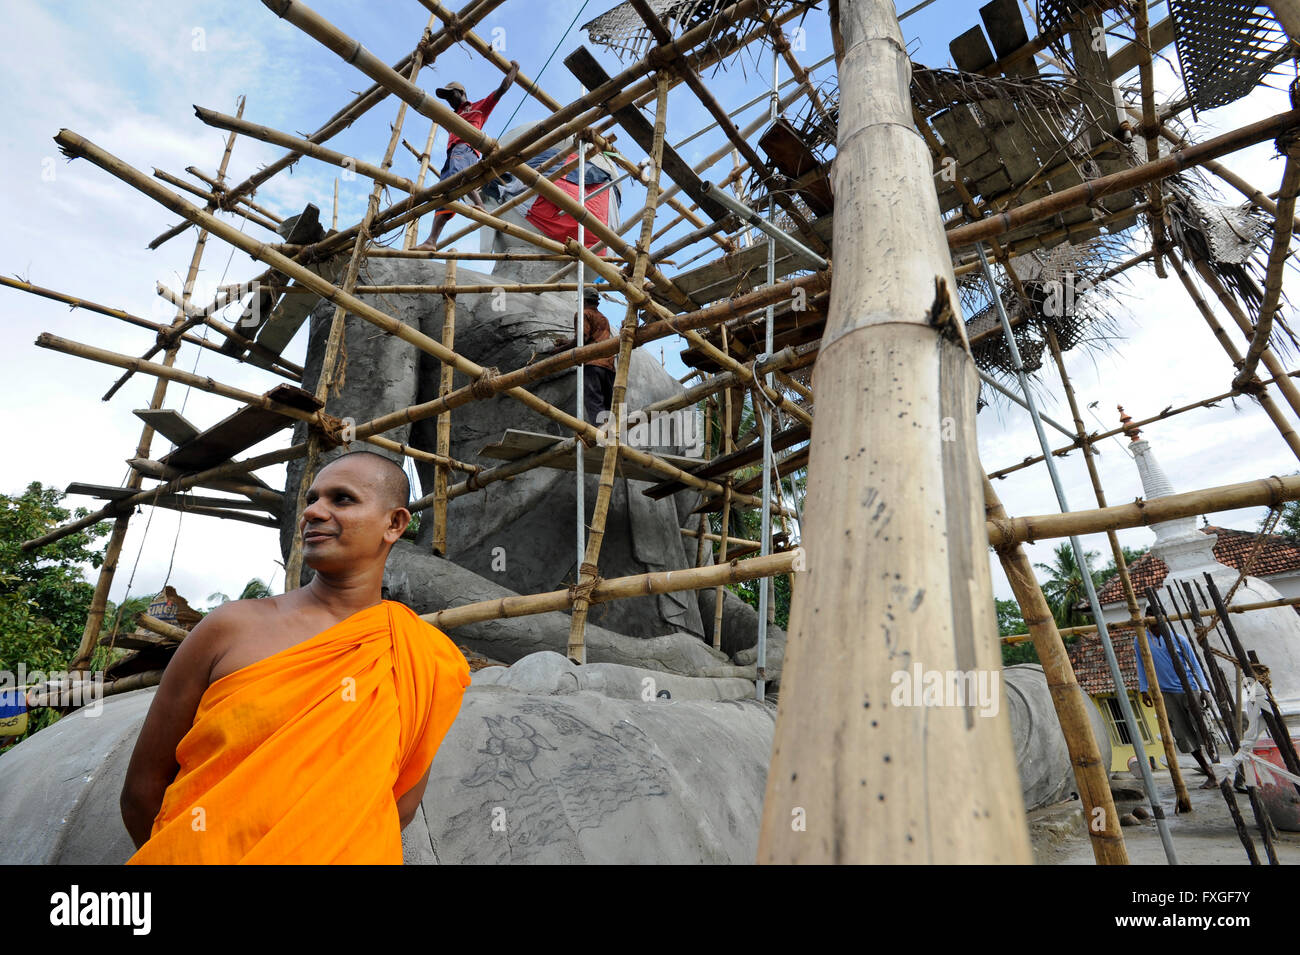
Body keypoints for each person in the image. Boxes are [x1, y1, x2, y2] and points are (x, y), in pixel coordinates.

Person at [119, 450, 471, 863]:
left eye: (342, 499)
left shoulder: (420, 655)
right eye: (311, 500)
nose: (315, 512)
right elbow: (142, 790)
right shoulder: (230, 627)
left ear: (394, 524)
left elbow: (400, 806)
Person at [416, 62, 520, 251]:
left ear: (462, 93)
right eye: (446, 96)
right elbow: (429, 111)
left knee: (458, 175)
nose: (448, 99)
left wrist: (514, 70)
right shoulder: (452, 116)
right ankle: (431, 240)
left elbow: (502, 89)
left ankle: (479, 204)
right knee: (444, 192)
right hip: (453, 153)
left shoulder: (478, 107)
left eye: (451, 94)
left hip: (467, 148)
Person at [1134, 613, 1217, 788]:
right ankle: (1209, 772)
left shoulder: (1178, 639)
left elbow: (1195, 664)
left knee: (1203, 729)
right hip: (1165, 693)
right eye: (1151, 624)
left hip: (1189, 688)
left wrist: (1204, 688)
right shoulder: (1140, 640)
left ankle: (1219, 768)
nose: (1155, 627)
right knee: (1183, 735)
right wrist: (1143, 689)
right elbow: (1141, 664)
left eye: (1158, 623)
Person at [549, 288, 616, 425]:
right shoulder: (604, 318)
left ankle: (600, 432)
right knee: (608, 404)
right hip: (608, 366)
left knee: (594, 399)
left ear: (584, 300)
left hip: (592, 363)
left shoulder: (583, 314)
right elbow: (593, 338)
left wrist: (560, 350)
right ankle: (611, 432)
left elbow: (582, 339)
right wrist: (567, 342)